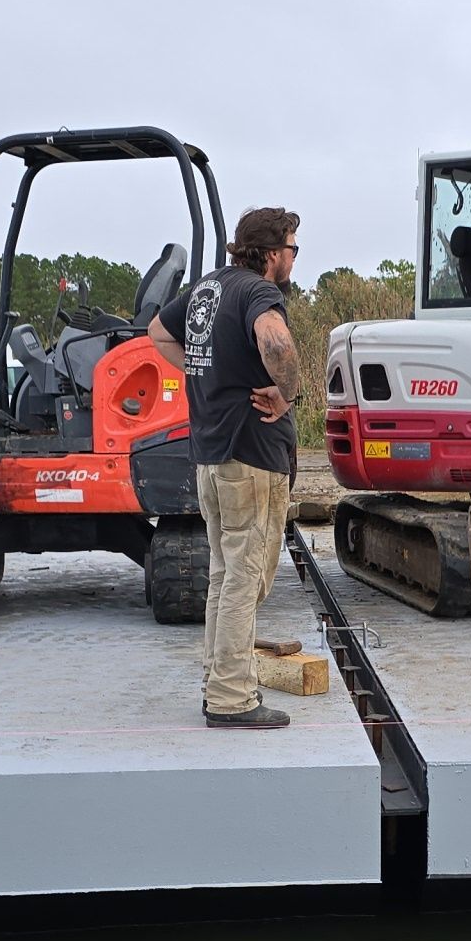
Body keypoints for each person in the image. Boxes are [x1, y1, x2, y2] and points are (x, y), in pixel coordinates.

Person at [150, 207, 302, 730]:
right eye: (292, 249)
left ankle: (218, 682)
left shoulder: (208, 288)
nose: (293, 259)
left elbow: (157, 332)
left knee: (223, 573)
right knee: (246, 577)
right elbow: (277, 341)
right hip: (251, 454)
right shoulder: (258, 293)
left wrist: (207, 368)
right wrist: (289, 393)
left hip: (212, 457)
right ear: (271, 252)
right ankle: (232, 699)